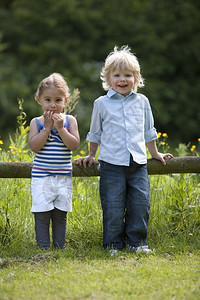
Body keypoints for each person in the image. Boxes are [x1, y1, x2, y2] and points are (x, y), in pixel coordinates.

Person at [75, 46, 173, 254]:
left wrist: (155, 154)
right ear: (108, 78)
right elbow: (95, 133)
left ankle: (137, 243)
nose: (122, 79)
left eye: (128, 75)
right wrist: (92, 155)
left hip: (138, 163)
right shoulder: (101, 104)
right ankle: (112, 244)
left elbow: (148, 131)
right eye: (117, 75)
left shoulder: (142, 102)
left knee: (140, 203)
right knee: (113, 205)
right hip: (111, 164)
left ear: (136, 78)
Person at [29, 73, 80, 249]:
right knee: (42, 213)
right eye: (48, 100)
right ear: (39, 100)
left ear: (65, 100)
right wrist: (48, 128)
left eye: (58, 100)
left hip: (63, 178)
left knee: (60, 215)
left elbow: (73, 145)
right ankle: (43, 249)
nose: (53, 105)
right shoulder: (37, 122)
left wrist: (60, 129)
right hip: (42, 177)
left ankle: (59, 248)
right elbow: (34, 147)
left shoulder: (69, 121)